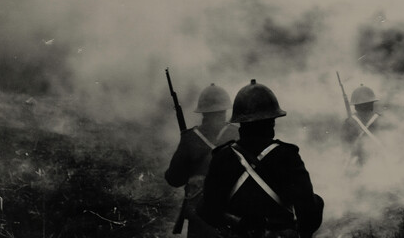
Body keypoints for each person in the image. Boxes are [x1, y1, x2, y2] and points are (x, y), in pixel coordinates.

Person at [199, 79, 324, 238]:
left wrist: (234, 225)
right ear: (272, 121)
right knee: (317, 201)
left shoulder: (222, 157)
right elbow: (309, 213)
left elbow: (207, 211)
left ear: (240, 123)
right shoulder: (288, 156)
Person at [165, 83, 239, 238]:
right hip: (233, 216)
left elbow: (174, 179)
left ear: (203, 112)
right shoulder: (237, 134)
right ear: (225, 110)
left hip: (200, 218)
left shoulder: (190, 138)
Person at [341, 84, 386, 171]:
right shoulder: (381, 120)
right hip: (380, 165)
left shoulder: (348, 122)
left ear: (355, 106)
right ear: (372, 103)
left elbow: (345, 147)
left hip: (358, 167)